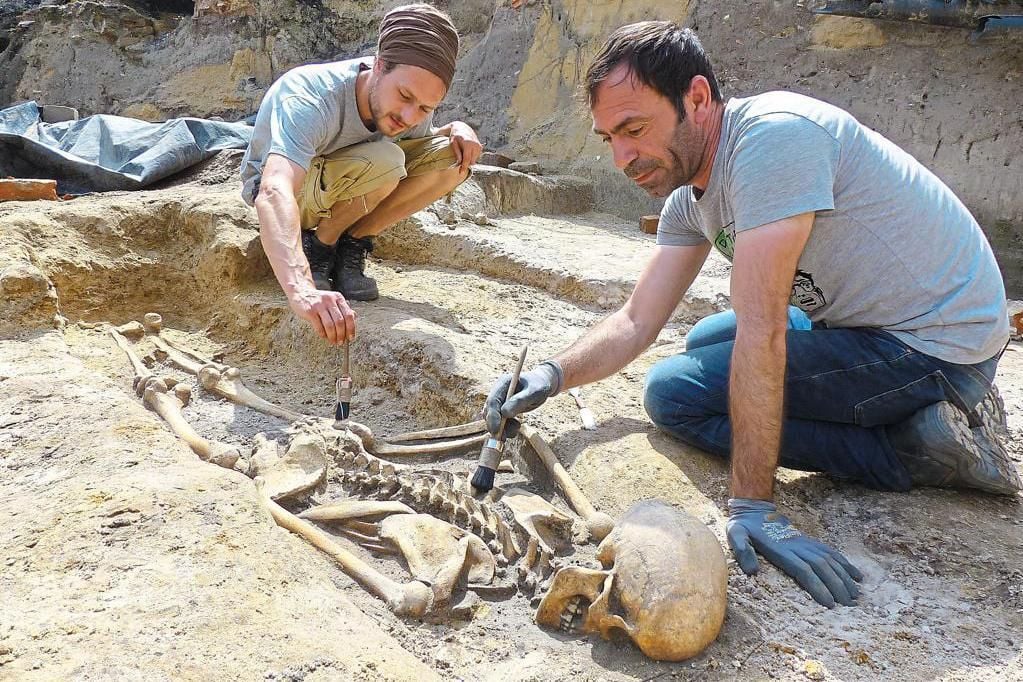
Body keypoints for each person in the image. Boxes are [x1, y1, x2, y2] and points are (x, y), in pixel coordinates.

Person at [484, 21, 1020, 608]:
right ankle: (910, 421)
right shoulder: (689, 196)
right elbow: (637, 320)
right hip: (871, 325)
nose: (621, 157)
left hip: (936, 345)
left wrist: (754, 508)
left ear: (696, 97)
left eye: (634, 129)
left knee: (674, 394)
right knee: (706, 340)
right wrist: (552, 375)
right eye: (609, 137)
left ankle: (907, 449)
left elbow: (764, 331)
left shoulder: (772, 141)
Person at [240, 4, 481, 345]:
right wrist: (301, 289)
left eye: (425, 108)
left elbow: (423, 153)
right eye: (405, 96)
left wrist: (457, 128)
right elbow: (274, 188)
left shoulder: (409, 111)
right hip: (297, 192)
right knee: (386, 159)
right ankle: (318, 247)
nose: (410, 116)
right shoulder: (311, 96)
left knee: (451, 158)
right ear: (379, 66)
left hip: (345, 182)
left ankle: (350, 245)